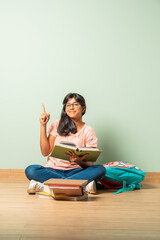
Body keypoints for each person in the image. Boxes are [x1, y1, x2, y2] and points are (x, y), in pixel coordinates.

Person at [25, 93, 106, 195]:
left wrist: (78, 161)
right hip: (53, 170)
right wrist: (43, 125)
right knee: (31, 170)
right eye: (68, 105)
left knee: (100, 170)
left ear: (83, 108)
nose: (71, 107)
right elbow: (45, 152)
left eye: (75, 104)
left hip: (76, 171)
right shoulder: (57, 124)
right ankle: (79, 185)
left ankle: (47, 186)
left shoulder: (88, 131)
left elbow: (89, 165)